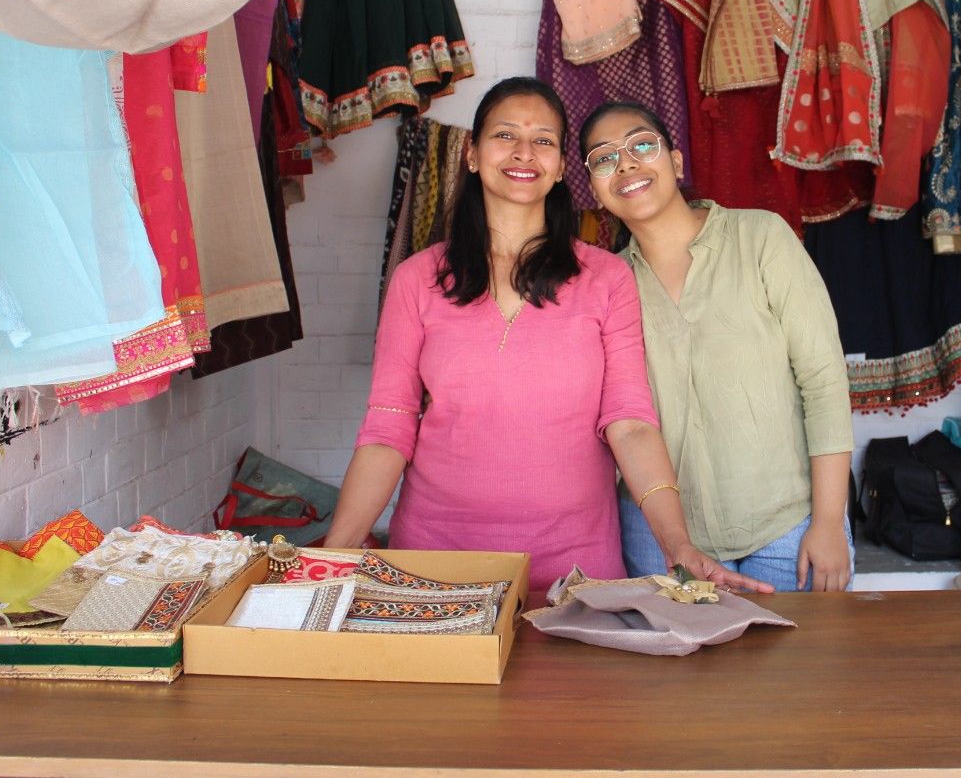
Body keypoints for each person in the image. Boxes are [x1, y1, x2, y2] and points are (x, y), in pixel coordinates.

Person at [325, 78, 770, 594]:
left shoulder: (606, 279)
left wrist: (678, 547)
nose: (524, 152)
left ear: (560, 167)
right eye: (505, 135)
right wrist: (330, 558)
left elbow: (629, 423)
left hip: (576, 570)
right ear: (472, 154)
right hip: (434, 561)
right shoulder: (417, 279)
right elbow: (388, 429)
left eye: (543, 140)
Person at [580, 100, 856, 591]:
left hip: (788, 531)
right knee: (676, 647)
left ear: (677, 162)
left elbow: (824, 381)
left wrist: (830, 522)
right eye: (604, 158)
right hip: (662, 540)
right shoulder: (606, 283)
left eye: (642, 145)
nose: (625, 164)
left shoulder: (760, 237)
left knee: (806, 646)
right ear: (594, 189)